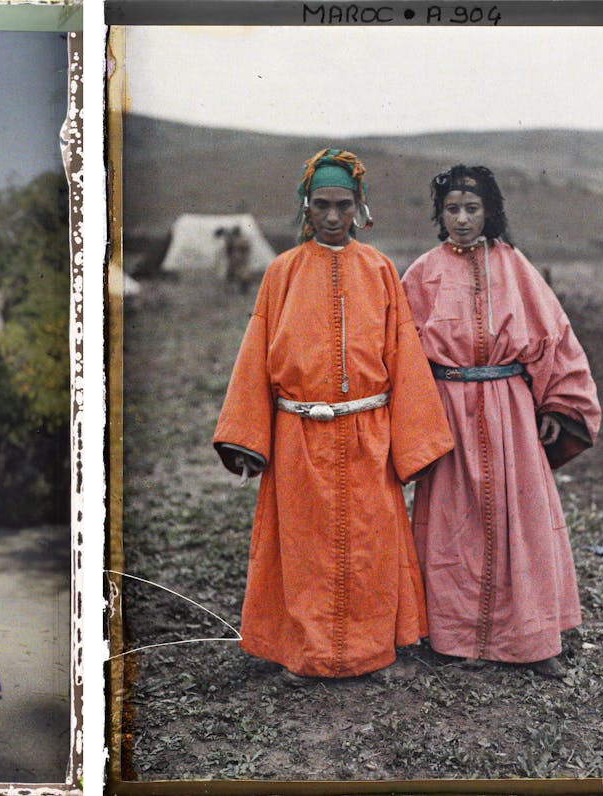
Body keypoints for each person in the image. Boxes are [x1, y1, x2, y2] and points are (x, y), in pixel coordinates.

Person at [213, 148, 454, 682]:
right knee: (303, 551)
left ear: (359, 207)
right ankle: (306, 653)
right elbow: (255, 354)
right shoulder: (281, 273)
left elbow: (404, 356)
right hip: (298, 436)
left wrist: (413, 442)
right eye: (320, 204)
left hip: (368, 435)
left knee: (370, 546)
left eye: (342, 205)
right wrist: (246, 437)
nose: (331, 216)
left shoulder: (380, 270)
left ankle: (372, 651)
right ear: (306, 207)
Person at [401, 165, 601, 677]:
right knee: (451, 525)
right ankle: (452, 637)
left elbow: (556, 338)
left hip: (510, 411)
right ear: (439, 215)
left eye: (472, 209)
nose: (462, 219)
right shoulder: (422, 273)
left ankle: (532, 638)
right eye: (452, 210)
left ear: (489, 212)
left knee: (521, 520)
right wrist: (416, 419)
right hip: (448, 413)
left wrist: (557, 404)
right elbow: (399, 352)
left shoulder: (515, 268)